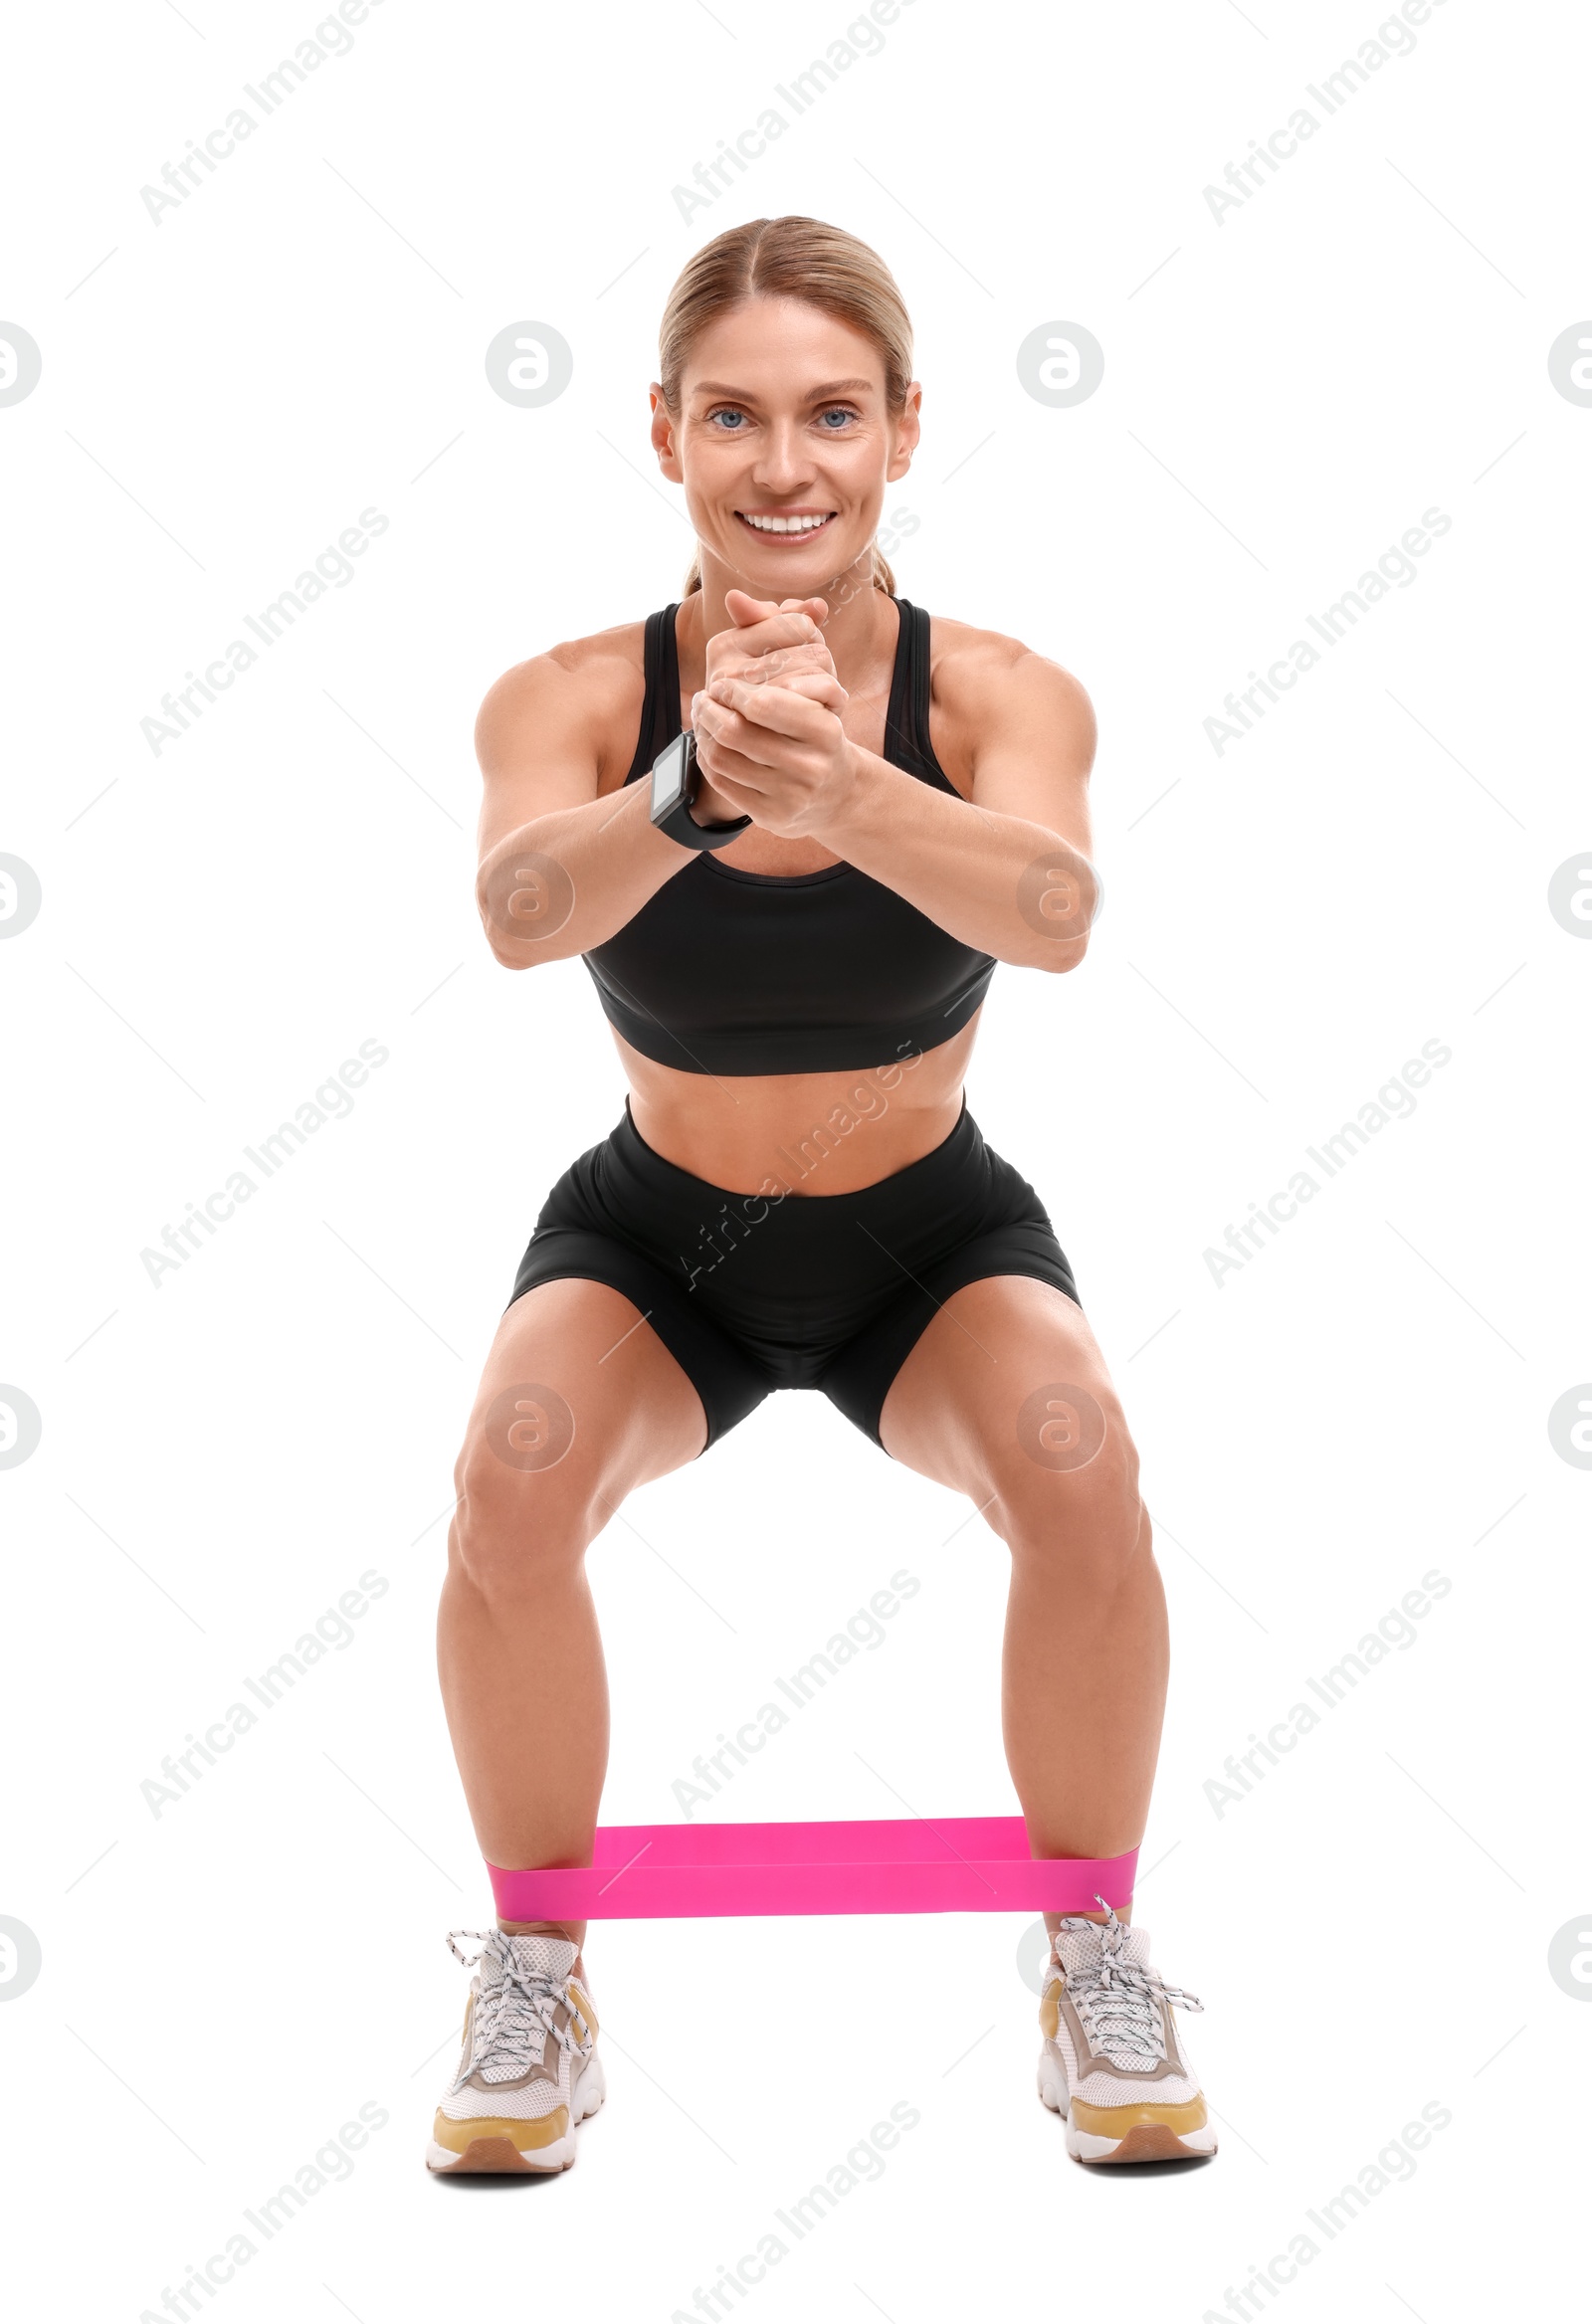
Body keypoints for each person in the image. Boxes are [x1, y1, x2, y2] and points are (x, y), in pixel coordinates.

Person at [426, 215, 1214, 2176]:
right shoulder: (564, 691)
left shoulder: (999, 689)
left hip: (918, 1240)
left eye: (832, 414)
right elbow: (522, 917)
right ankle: (536, 1969)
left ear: (904, 431)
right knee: (509, 1475)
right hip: (658, 1235)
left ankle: (1087, 1941)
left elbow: (1055, 916)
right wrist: (691, 789)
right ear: (665, 436)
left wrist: (846, 791)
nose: (785, 463)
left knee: (1080, 1457)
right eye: (736, 416)